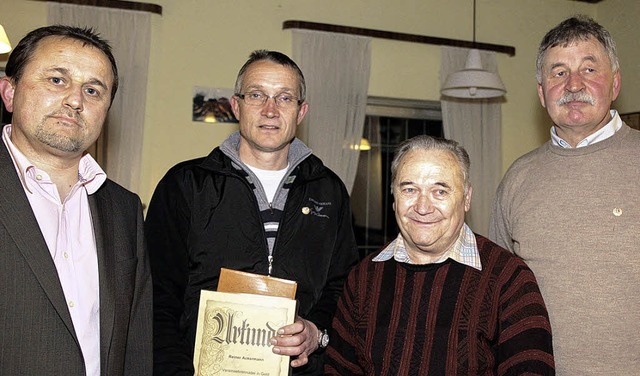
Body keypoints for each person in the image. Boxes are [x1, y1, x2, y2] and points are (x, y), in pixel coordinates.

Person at [145, 49, 359, 375]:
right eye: (257, 95)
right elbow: (156, 295)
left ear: (301, 112)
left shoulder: (329, 191)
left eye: (284, 98)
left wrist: (316, 331)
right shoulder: (186, 185)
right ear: (236, 105)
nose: (270, 110)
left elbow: (342, 285)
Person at [325, 135, 555, 375]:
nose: (423, 207)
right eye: (410, 189)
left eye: (440, 191)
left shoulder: (509, 279)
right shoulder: (363, 278)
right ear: (394, 198)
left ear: (466, 199)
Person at [489, 15, 640, 375]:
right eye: (558, 73)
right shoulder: (516, 179)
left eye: (589, 69)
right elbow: (494, 295)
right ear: (542, 93)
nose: (573, 84)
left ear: (615, 83)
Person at [0, 25, 152, 375]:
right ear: (9, 92)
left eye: (93, 89)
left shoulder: (124, 210)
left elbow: (137, 345)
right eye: (57, 80)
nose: (75, 100)